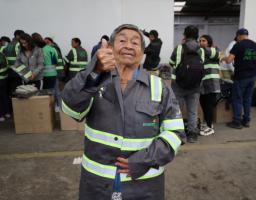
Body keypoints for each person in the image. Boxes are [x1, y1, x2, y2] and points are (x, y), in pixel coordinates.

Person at [61, 24, 185, 200]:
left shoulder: (159, 87)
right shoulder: (94, 81)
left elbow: (176, 133)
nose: (128, 45)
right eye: (122, 40)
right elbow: (71, 108)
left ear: (142, 53)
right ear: (110, 48)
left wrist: (144, 160)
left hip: (144, 187)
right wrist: (94, 70)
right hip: (97, 186)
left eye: (135, 43)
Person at [169, 25, 204, 143]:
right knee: (193, 110)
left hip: (179, 84)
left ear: (185, 35)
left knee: (177, 109)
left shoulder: (179, 48)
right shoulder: (201, 49)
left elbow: (171, 63)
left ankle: (177, 134)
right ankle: (192, 134)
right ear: (197, 36)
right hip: (195, 85)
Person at [222, 28, 256, 129]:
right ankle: (246, 120)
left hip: (241, 76)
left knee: (237, 98)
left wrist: (223, 58)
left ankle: (237, 121)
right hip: (252, 76)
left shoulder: (238, 45)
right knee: (247, 99)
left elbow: (229, 60)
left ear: (238, 36)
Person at [199, 35, 221, 136]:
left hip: (212, 83)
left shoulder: (214, 50)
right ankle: (207, 124)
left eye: (203, 40)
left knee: (208, 106)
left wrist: (198, 47)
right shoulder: (201, 52)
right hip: (203, 84)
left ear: (209, 42)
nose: (201, 42)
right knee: (203, 104)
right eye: (199, 41)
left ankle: (210, 126)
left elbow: (212, 53)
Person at [0, 50, 10, 122]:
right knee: (4, 96)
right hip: (4, 78)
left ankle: (1, 115)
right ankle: (7, 112)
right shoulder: (2, 55)